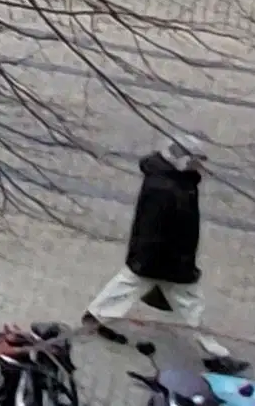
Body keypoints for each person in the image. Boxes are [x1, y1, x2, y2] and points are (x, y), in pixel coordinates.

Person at [82, 140, 244, 375]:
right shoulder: (167, 188)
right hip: (169, 264)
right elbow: (155, 230)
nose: (199, 167)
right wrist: (167, 264)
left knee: (125, 286)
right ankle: (215, 354)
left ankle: (96, 317)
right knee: (192, 307)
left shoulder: (171, 180)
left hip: (156, 261)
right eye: (196, 161)